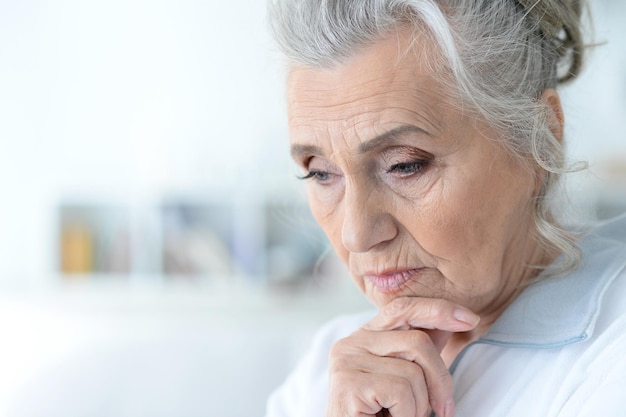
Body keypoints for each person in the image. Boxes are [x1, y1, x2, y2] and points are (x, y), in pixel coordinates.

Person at [264, 0, 626, 416]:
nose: (356, 234)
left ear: (537, 141)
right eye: (322, 174)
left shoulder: (612, 355)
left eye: (405, 165)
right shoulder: (328, 371)